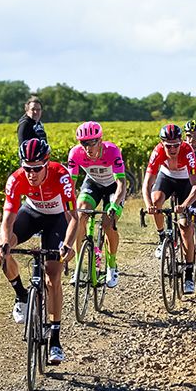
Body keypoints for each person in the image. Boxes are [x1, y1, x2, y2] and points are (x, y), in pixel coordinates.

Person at [0, 138, 79, 365]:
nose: (31, 174)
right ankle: (21, 294)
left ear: (46, 163)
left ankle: (55, 339)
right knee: (1, 250)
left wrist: (69, 245)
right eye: (27, 168)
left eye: (36, 169)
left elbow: (73, 218)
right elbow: (8, 217)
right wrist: (4, 240)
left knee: (52, 274)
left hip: (57, 218)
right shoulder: (16, 179)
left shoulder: (61, 176)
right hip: (31, 213)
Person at [142, 124, 196, 294]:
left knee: (185, 228)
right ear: (162, 144)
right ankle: (162, 237)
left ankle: (189, 274)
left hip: (186, 182)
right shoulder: (158, 151)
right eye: (169, 146)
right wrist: (149, 205)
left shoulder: (187, 150)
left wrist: (186, 204)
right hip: (166, 177)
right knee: (156, 199)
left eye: (176, 145)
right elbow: (147, 184)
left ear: (181, 142)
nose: (173, 149)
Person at [67, 121, 127, 289]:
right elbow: (70, 186)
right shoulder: (75, 153)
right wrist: (68, 205)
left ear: (100, 140)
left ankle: (112, 266)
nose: (88, 147)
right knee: (79, 216)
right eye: (84, 143)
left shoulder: (112, 151)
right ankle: (79, 267)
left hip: (113, 187)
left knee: (109, 224)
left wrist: (114, 205)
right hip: (92, 184)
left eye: (92, 142)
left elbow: (121, 183)